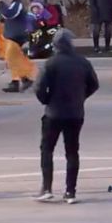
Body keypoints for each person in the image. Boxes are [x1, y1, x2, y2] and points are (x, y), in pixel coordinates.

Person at [34, 29, 99, 204]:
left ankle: (47, 188)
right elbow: (94, 84)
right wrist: (81, 97)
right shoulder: (82, 62)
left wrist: (47, 100)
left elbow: (39, 88)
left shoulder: (50, 63)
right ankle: (70, 191)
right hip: (75, 113)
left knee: (47, 149)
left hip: (53, 112)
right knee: (72, 151)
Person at [1, 0, 35, 93]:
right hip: (13, 35)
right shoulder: (14, 5)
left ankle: (21, 81)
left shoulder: (17, 4)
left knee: (11, 57)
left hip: (16, 36)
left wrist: (1, 5)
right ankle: (20, 80)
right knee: (13, 58)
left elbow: (10, 14)